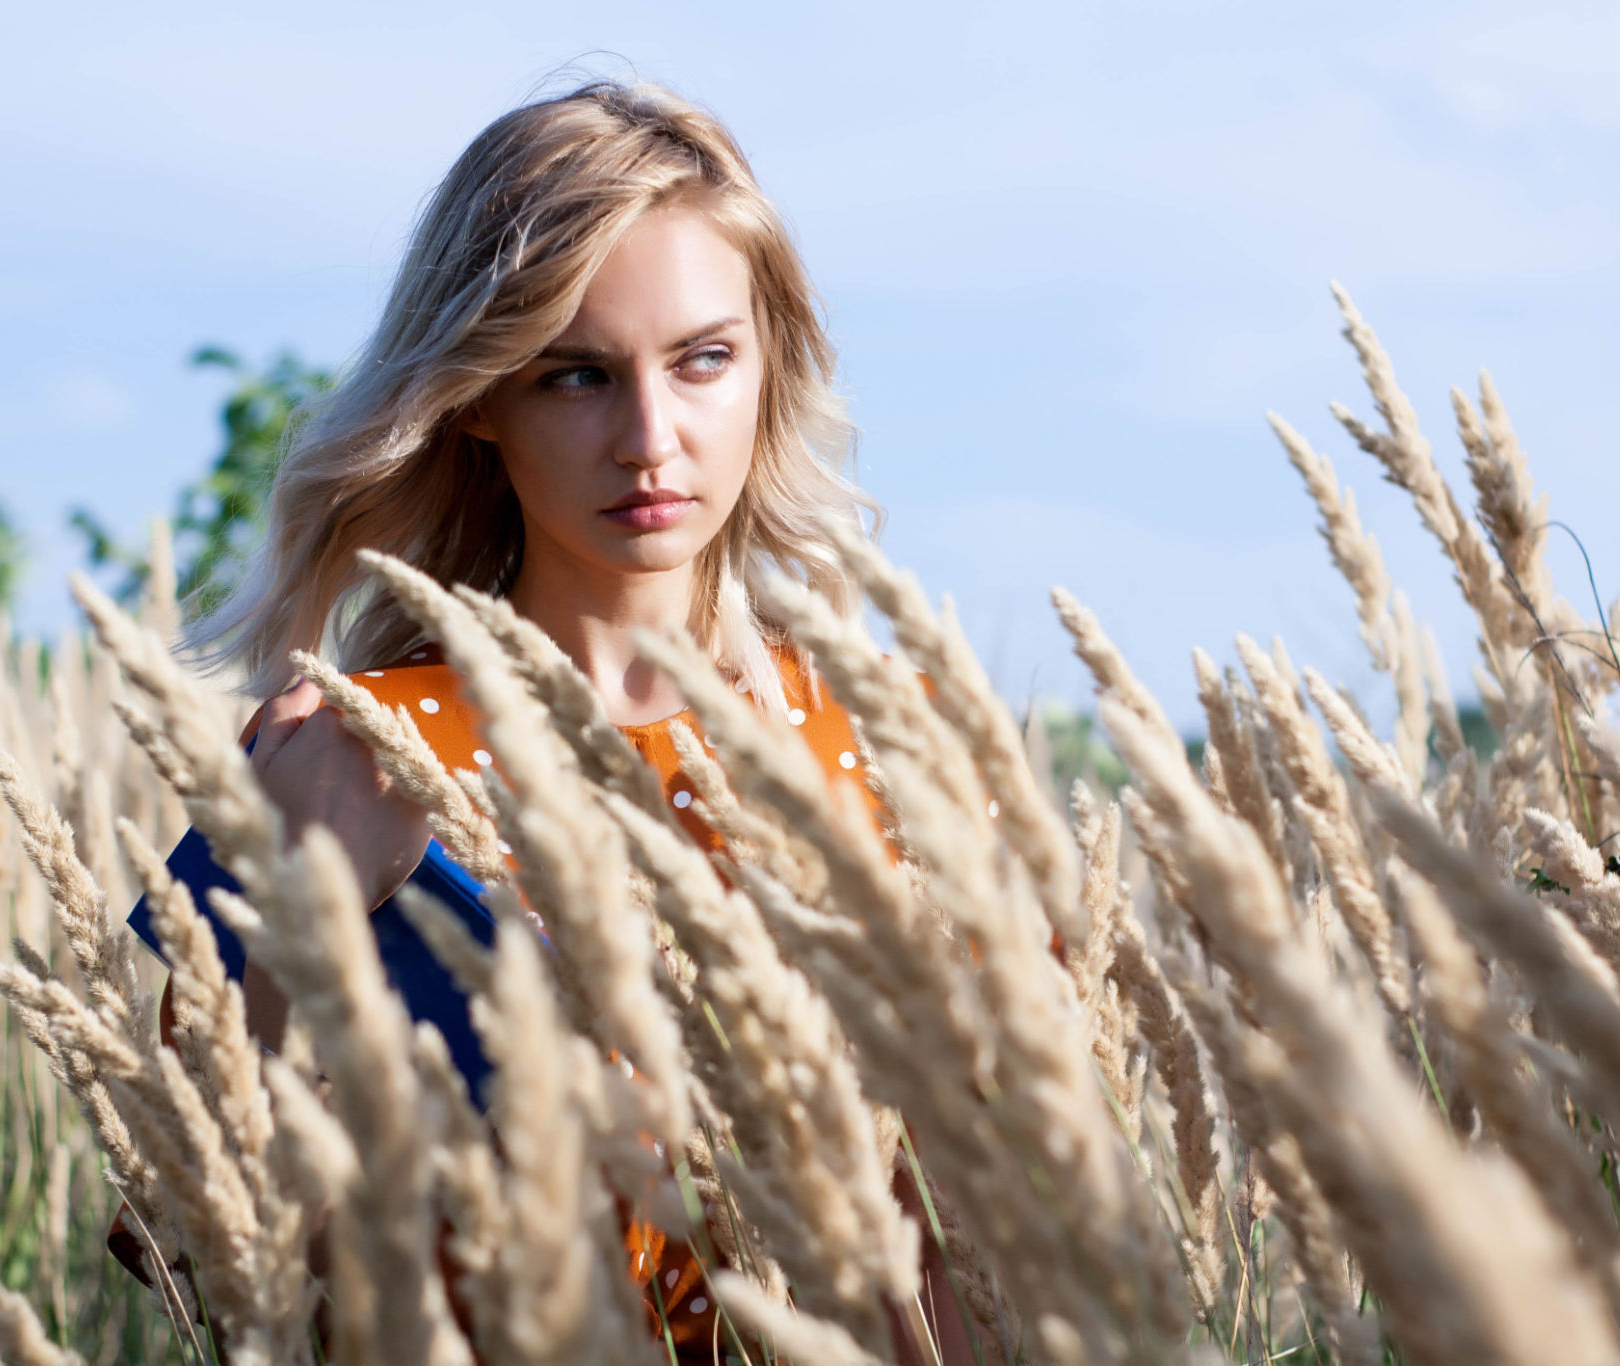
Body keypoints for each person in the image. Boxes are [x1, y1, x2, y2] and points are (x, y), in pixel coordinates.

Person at [118, 77, 988, 1363]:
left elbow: (961, 1248)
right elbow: (167, 1235)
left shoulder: (884, 735)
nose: (651, 438)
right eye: (577, 376)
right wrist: (298, 902)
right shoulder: (352, 750)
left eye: (703, 360)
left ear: (769, 366)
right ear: (475, 396)